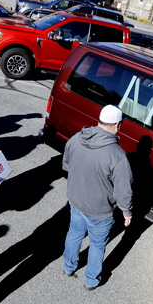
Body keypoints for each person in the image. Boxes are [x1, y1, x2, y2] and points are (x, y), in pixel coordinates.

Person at [62, 105, 133, 290]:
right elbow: (123, 190)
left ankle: (69, 267)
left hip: (76, 201)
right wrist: (127, 211)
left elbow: (67, 164)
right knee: (97, 245)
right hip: (100, 211)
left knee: (74, 233)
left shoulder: (77, 138)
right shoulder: (117, 156)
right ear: (117, 124)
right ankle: (91, 280)